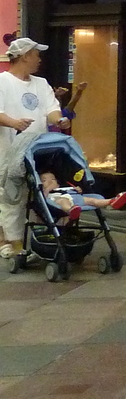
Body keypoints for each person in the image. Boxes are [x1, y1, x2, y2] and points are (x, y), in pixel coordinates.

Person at [0, 39, 64, 260]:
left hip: (38, 151)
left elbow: (52, 110)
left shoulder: (41, 83)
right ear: (25, 56)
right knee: (11, 197)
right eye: (36, 55)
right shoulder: (3, 82)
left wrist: (60, 120)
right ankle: (10, 242)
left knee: (40, 194)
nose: (39, 59)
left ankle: (40, 240)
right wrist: (14, 123)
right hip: (9, 151)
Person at [38, 170, 126, 222]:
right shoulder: (46, 191)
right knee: (63, 202)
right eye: (44, 180)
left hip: (74, 197)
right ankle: (71, 210)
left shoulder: (64, 187)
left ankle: (112, 201)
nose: (50, 181)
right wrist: (48, 188)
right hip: (57, 199)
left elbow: (76, 192)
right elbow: (43, 197)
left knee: (92, 200)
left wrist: (77, 189)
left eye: (53, 179)